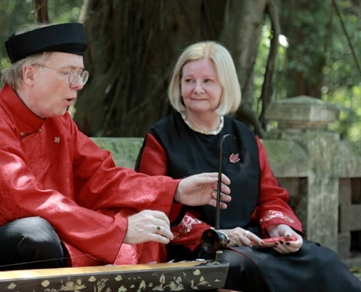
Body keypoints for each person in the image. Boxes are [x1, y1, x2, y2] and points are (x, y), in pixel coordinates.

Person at [0, 23, 233, 274]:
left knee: (138, 216)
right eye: (69, 73)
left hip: (49, 236)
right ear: (29, 74)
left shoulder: (59, 122)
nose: (78, 84)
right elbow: (21, 200)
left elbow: (102, 178)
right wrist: (118, 230)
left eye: (81, 74)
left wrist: (175, 190)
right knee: (36, 234)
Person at [135, 41, 361, 291]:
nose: (197, 89)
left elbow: (270, 196)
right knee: (243, 268)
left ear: (225, 85)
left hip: (254, 239)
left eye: (207, 81)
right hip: (197, 245)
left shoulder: (245, 137)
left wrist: (280, 227)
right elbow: (153, 203)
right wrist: (217, 235)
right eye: (189, 81)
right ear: (179, 84)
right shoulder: (162, 137)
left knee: (323, 262)